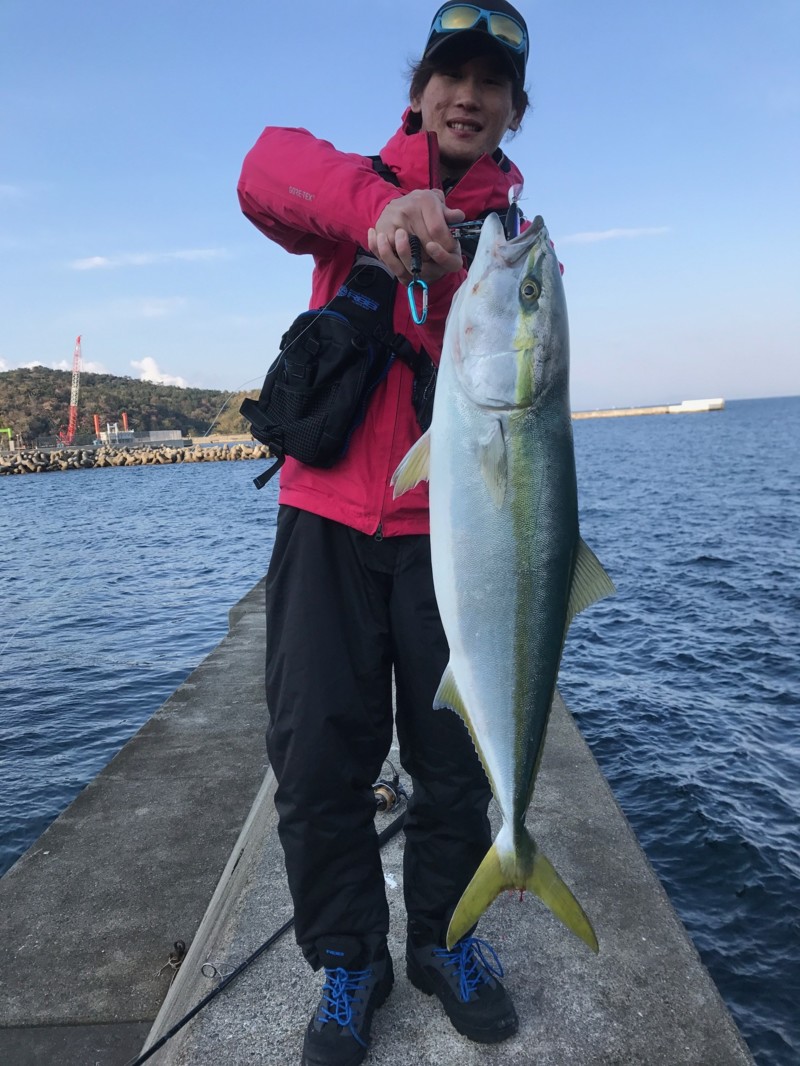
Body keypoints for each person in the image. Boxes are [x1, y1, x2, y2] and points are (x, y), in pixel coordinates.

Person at [237, 4, 531, 1063]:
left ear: (512, 111)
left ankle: (444, 941)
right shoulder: (350, 186)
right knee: (317, 757)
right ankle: (347, 957)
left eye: (491, 83)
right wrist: (379, 211)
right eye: (450, 75)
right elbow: (262, 167)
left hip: (455, 537)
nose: (468, 95)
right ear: (418, 92)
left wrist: (467, 273)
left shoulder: (515, 247)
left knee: (452, 761)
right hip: (324, 520)